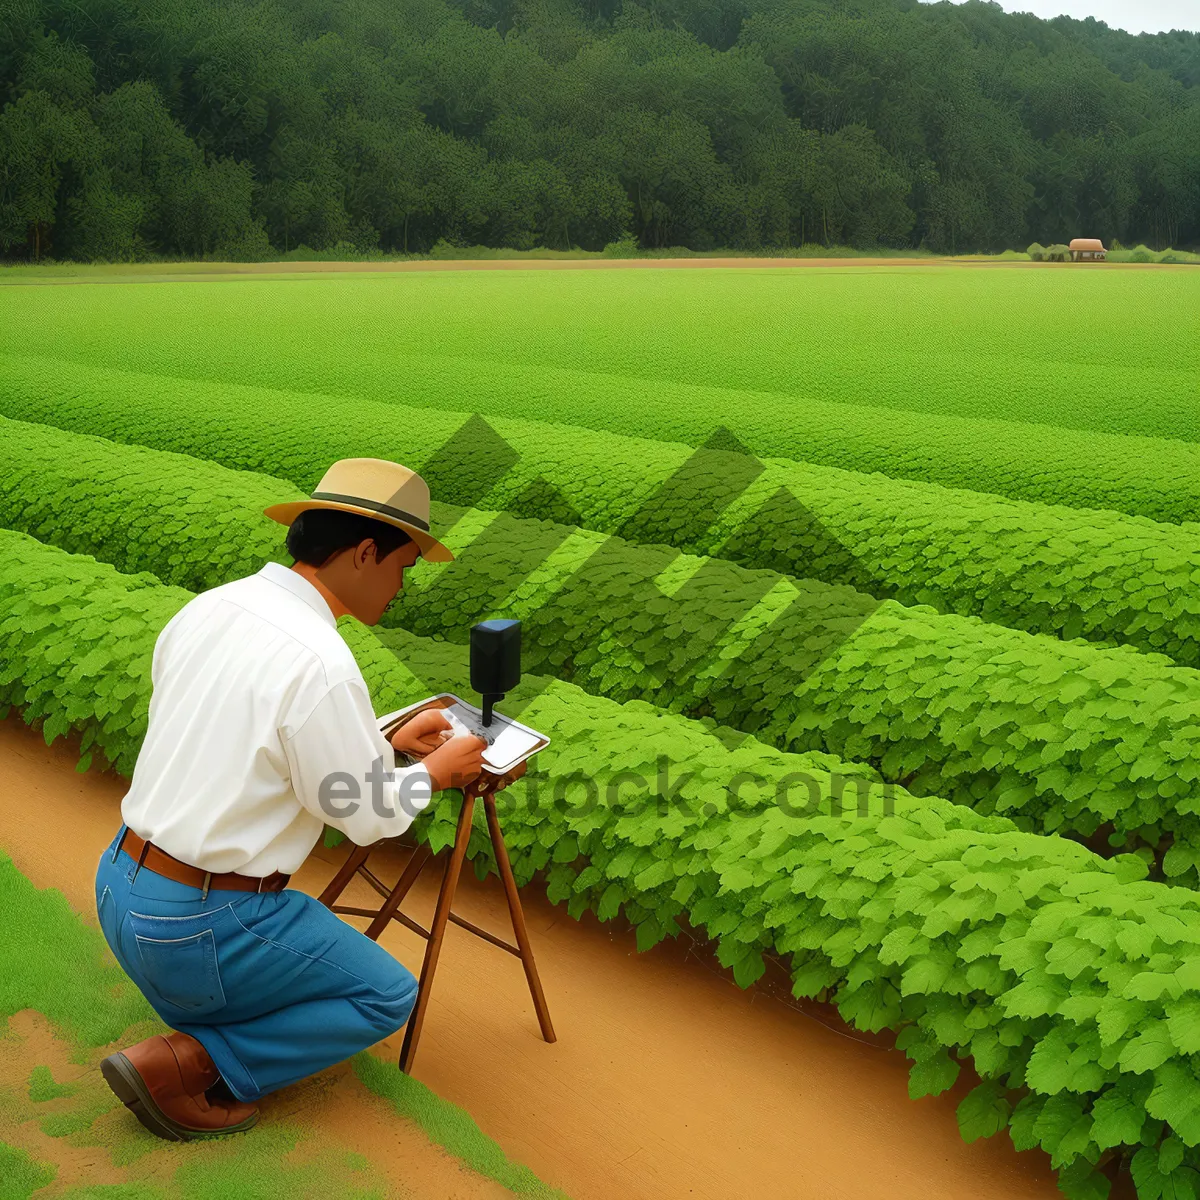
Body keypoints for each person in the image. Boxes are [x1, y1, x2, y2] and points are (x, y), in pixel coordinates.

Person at [93, 457, 522, 1141]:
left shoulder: (212, 607)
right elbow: (365, 815)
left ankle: (206, 1016)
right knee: (385, 994)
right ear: (363, 553)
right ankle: (186, 1062)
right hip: (194, 930)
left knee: (279, 952)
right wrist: (437, 770)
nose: (403, 586)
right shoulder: (320, 659)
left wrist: (383, 741)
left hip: (119, 888)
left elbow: (248, 744)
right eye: (404, 567)